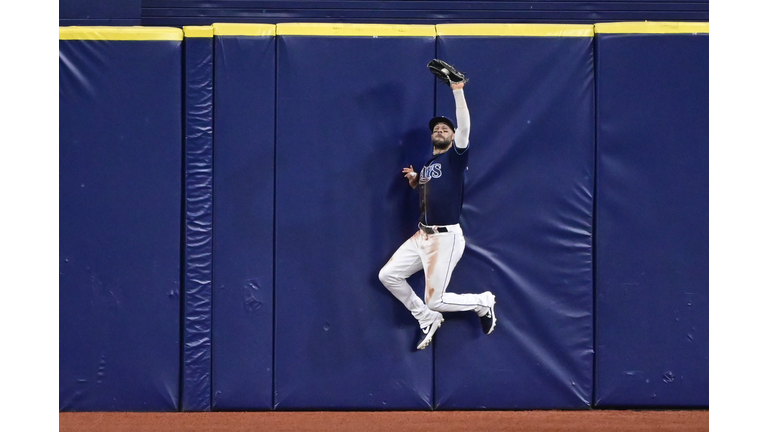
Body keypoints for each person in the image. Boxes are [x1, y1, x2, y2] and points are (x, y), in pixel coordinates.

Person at [378, 79, 496, 350]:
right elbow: (430, 187)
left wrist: (457, 90)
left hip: (446, 238)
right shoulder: (430, 164)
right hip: (422, 235)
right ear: (432, 137)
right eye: (437, 129)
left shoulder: (455, 159)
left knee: (436, 299)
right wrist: (416, 180)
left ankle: (483, 302)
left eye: (446, 129)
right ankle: (426, 317)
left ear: (453, 137)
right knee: (388, 276)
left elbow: (464, 126)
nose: (441, 130)